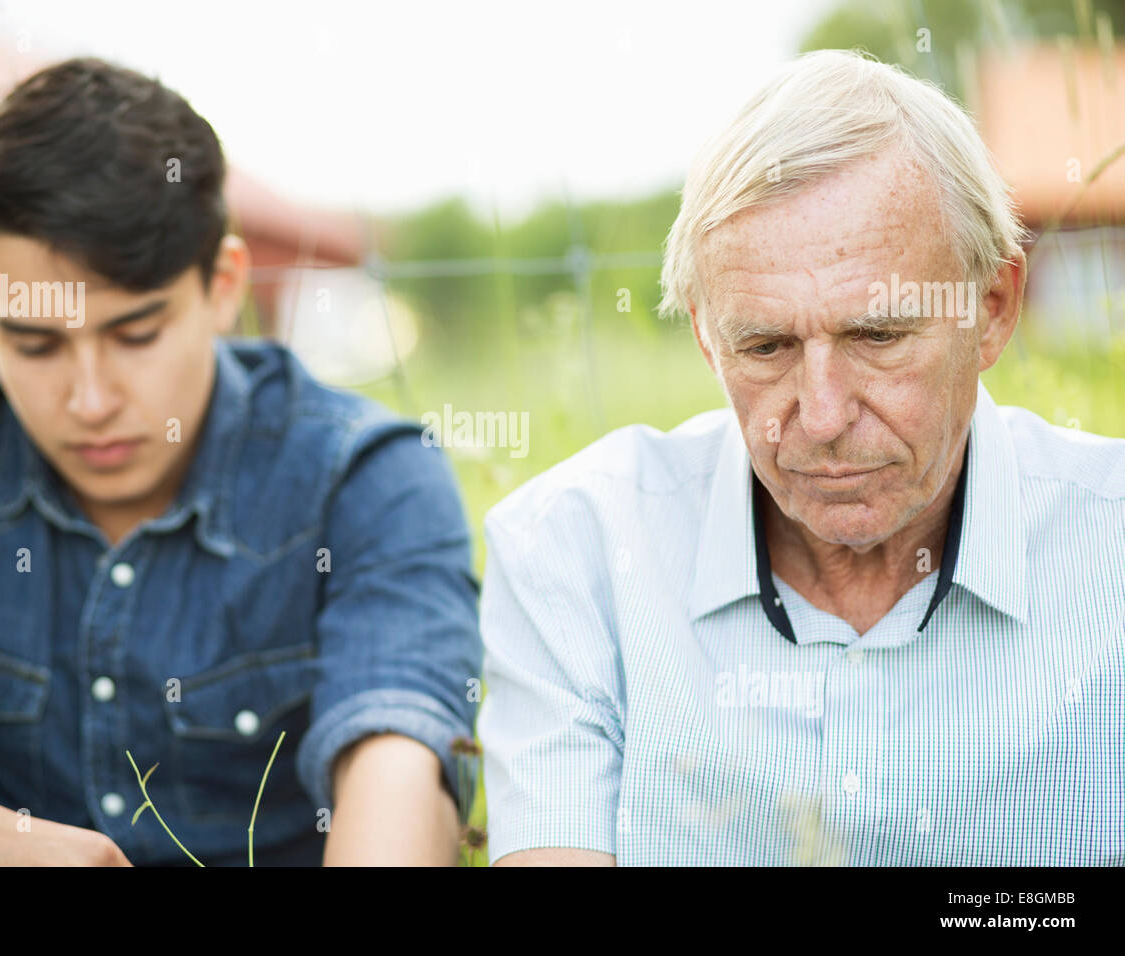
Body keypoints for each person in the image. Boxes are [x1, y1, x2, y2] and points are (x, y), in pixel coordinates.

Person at [0, 57, 480, 866]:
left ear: (222, 286)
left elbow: (398, 761)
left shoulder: (364, 478)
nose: (90, 397)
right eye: (33, 344)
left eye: (135, 336)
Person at [477, 49, 1125, 866]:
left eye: (878, 335)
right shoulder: (575, 552)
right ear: (710, 343)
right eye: (766, 345)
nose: (819, 417)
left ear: (991, 310)